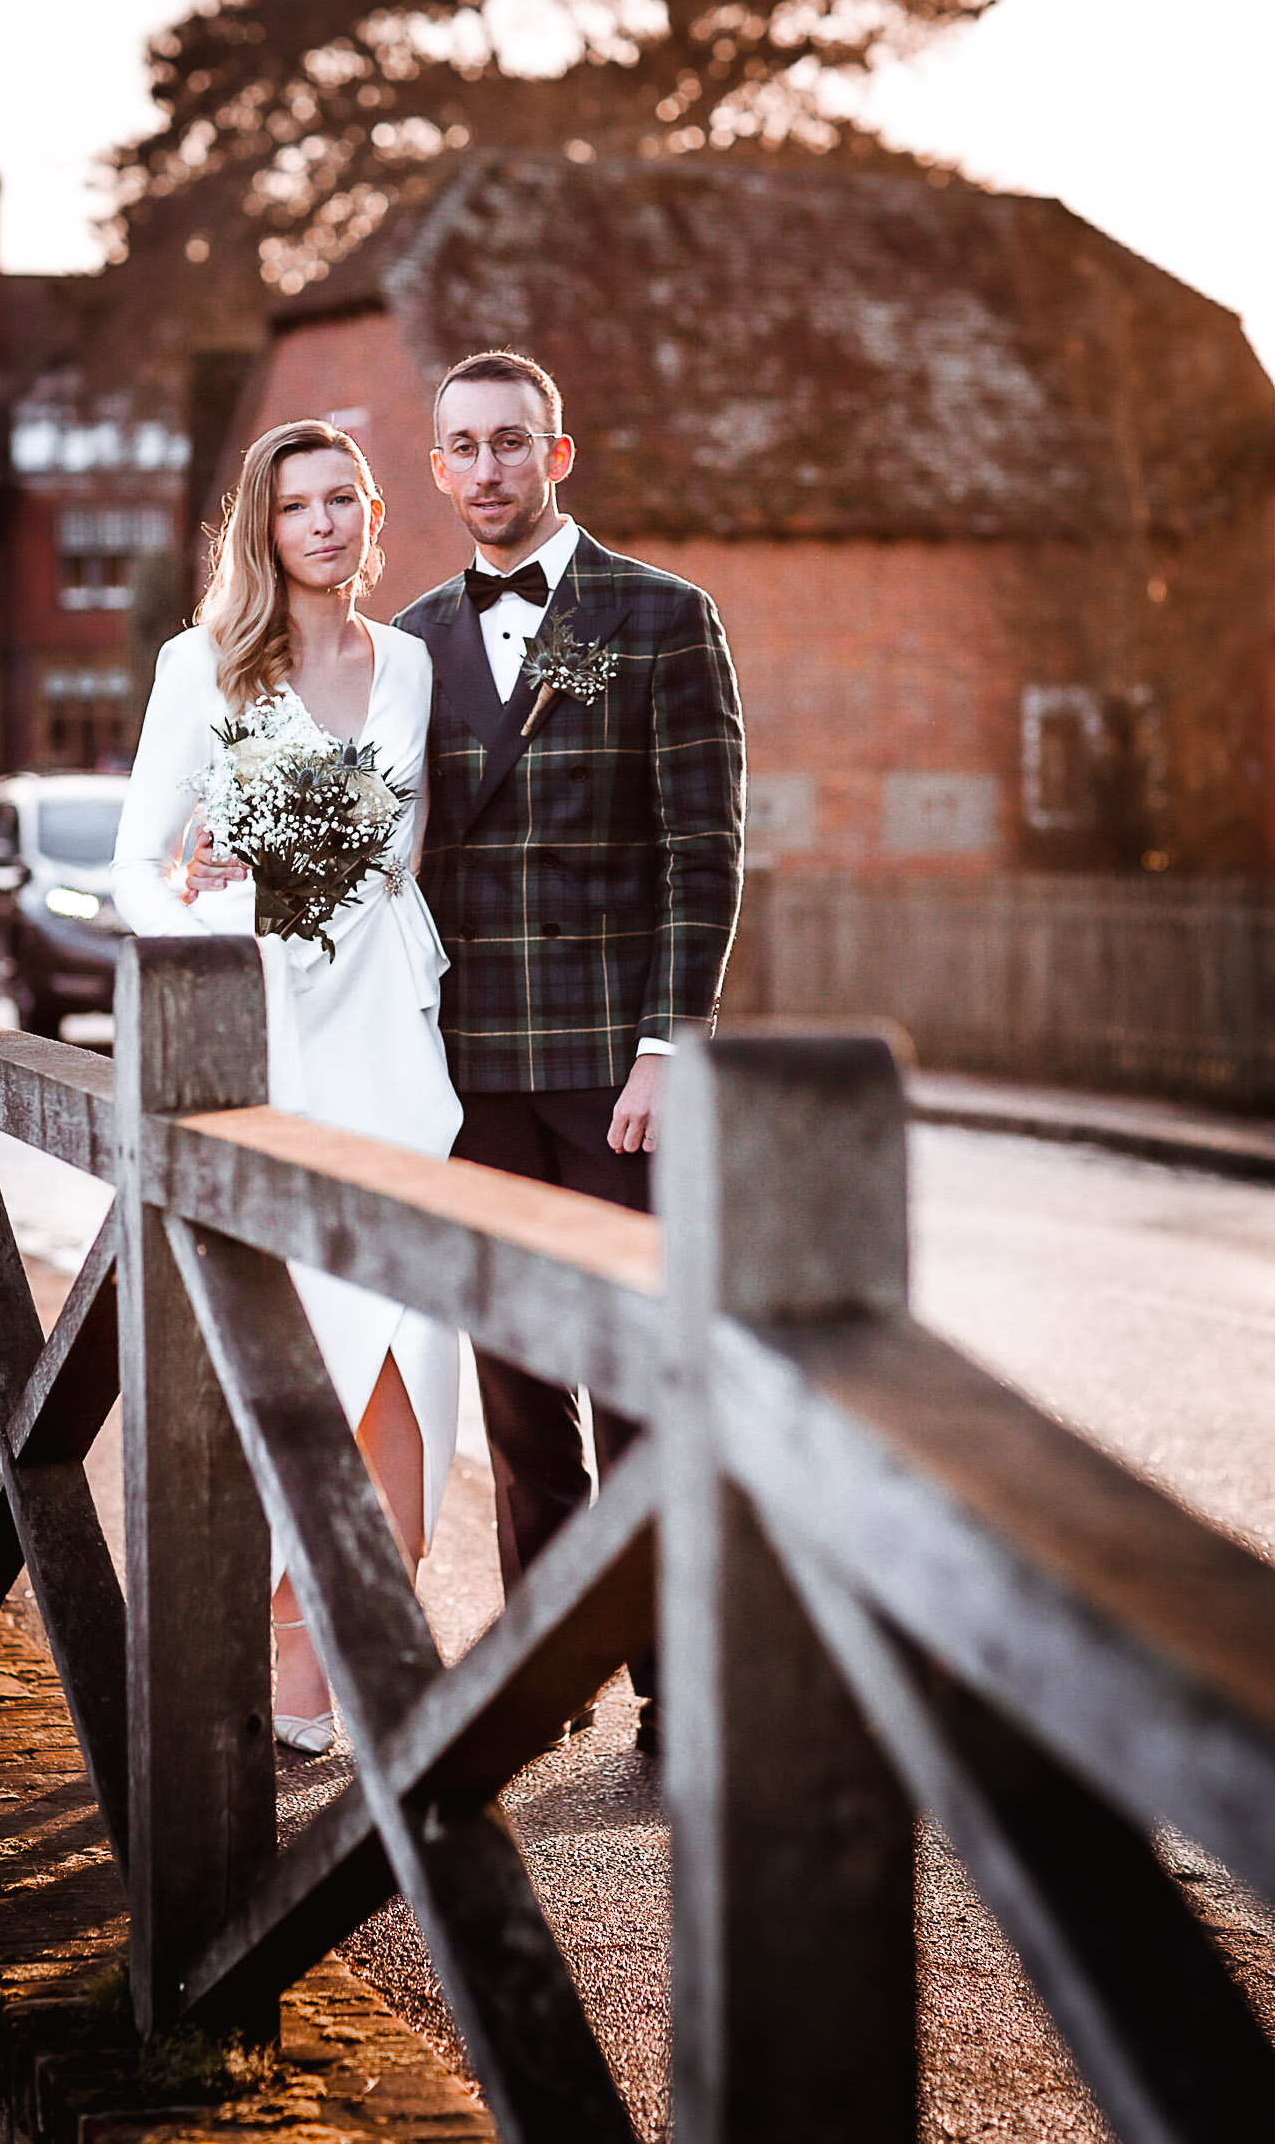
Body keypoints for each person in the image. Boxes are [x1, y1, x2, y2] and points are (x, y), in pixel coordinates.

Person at [394, 350, 745, 1755]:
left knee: (638, 1382)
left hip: (614, 1075)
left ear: (561, 451)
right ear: (434, 468)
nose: (487, 468)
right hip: (470, 1074)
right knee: (519, 1396)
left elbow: (704, 852)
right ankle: (549, 1669)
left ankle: (676, 1689)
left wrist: (671, 1044)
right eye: (463, 447)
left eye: (511, 443)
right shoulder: (408, 642)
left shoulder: (663, 617)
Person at [111, 418, 462, 1758]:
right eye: (293, 505)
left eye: (339, 501)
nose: (320, 524)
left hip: (393, 1040)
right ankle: (268, 1659)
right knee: (295, 1340)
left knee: (406, 1346)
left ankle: (359, 1651)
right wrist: (232, 939)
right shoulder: (197, 666)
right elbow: (143, 868)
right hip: (272, 1039)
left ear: (372, 515)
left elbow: (404, 849)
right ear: (261, 528)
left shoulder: (413, 666)